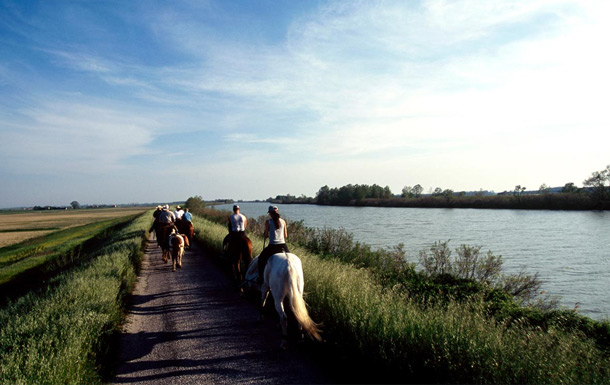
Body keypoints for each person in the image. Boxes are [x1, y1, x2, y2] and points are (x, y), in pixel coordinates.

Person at [257, 205, 289, 284]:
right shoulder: (283, 221)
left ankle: (261, 277)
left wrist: (266, 234)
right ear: (277, 212)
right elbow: (285, 235)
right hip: (283, 246)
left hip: (272, 246)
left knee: (261, 259)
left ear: (270, 213)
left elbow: (266, 236)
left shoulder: (268, 222)